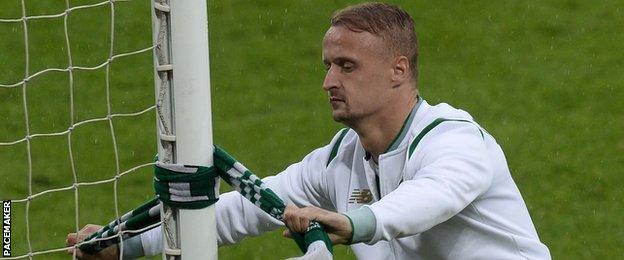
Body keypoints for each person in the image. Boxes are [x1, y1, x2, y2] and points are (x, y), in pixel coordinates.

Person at [67, 2, 551, 259]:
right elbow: (247, 208)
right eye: (327, 65)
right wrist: (130, 245)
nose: (328, 82)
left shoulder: (455, 139)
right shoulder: (343, 157)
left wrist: (358, 223)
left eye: (347, 66)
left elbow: (431, 198)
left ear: (398, 70)